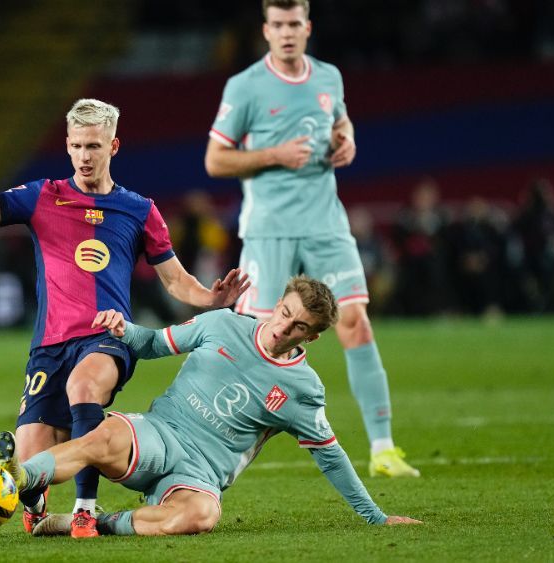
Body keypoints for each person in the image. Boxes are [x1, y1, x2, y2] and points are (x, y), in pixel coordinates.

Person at [0, 99, 249, 538]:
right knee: (33, 457)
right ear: (67, 144)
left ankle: (85, 511)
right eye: (77, 145)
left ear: (113, 146)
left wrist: (210, 297)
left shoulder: (139, 210)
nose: (84, 155)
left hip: (108, 336)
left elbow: (175, 281)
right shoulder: (43, 196)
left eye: (94, 145)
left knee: (83, 387)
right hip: (49, 348)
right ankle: (34, 503)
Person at [0, 275, 423, 536]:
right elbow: (154, 344)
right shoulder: (223, 324)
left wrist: (376, 518)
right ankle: (17, 477)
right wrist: (124, 328)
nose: (283, 328)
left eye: (299, 327)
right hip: (160, 435)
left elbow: (331, 458)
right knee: (102, 435)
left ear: (310, 337)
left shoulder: (303, 390)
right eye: (285, 313)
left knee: (201, 516)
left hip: (199, 475)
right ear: (278, 304)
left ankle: (92, 524)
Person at [203, 0, 419, 477]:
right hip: (269, 229)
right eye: (277, 25)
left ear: (307, 27)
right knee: (257, 342)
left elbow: (340, 122)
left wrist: (348, 137)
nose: (285, 33)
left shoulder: (328, 78)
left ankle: (383, 449)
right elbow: (216, 161)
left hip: (326, 224)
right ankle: (209, 445)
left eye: (293, 24)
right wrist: (274, 154)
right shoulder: (245, 87)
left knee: (355, 322)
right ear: (265, 30)